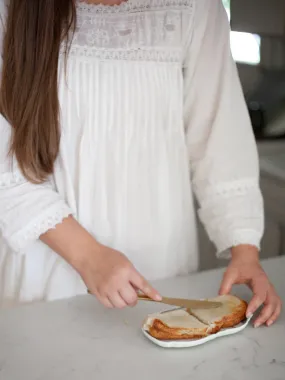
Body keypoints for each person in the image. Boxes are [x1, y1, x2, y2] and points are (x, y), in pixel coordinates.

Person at [0, 0, 281, 327]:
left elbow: (220, 136)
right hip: (43, 276)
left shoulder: (196, 8)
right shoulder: (10, 8)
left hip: (160, 273)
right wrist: (87, 255)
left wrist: (245, 253)